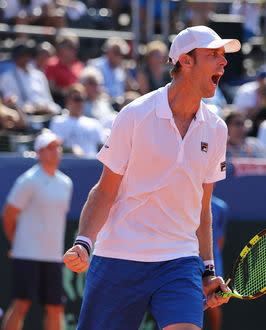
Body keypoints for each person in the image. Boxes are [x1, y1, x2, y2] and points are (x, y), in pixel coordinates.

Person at [62, 25, 240, 329]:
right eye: (213, 55)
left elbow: (203, 207)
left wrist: (208, 270)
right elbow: (104, 191)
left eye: (223, 56)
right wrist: (84, 242)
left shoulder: (217, 129)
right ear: (186, 61)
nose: (223, 62)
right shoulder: (135, 115)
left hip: (179, 260)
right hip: (119, 256)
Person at [1, 129, 73, 330]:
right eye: (49, 148)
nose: (55, 151)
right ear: (39, 152)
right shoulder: (28, 181)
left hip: (53, 256)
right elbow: (8, 214)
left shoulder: (66, 183)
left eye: (57, 147)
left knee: (56, 307)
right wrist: (17, 243)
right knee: (21, 305)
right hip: (27, 254)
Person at [0, 42, 61, 116]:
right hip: (23, 117)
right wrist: (26, 108)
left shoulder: (39, 75)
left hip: (45, 115)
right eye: (23, 54)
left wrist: (45, 108)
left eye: (28, 53)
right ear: (16, 57)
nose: (26, 57)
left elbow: (49, 101)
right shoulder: (7, 77)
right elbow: (9, 102)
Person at [50, 83, 106, 158]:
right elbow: (54, 147)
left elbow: (102, 147)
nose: (80, 103)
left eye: (82, 99)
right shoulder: (58, 122)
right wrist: (71, 150)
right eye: (77, 99)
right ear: (68, 101)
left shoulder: (95, 123)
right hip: (70, 164)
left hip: (93, 165)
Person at [206, 196, 229, 330]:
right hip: (189, 259)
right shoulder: (188, 202)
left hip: (213, 262)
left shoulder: (221, 207)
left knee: (215, 301)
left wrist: (209, 259)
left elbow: (220, 240)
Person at [88, 37, 131, 101]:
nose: (119, 56)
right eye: (116, 52)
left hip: (119, 105)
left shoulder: (121, 70)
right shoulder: (95, 65)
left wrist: (127, 73)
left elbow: (127, 89)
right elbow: (91, 88)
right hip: (101, 103)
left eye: (121, 54)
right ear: (107, 51)